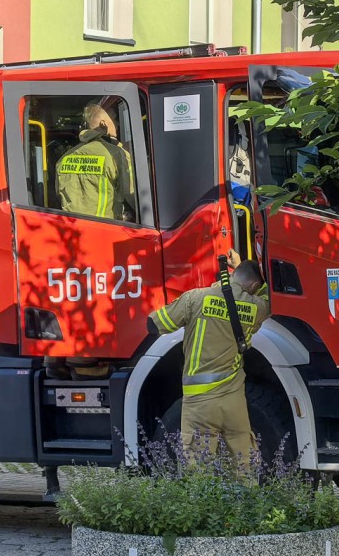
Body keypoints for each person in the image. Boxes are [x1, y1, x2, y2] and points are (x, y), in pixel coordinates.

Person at [147, 255, 270, 463]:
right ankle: (246, 487)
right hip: (233, 401)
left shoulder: (196, 298)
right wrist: (257, 281)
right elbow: (270, 299)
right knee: (243, 460)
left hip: (200, 401)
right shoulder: (257, 307)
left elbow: (154, 324)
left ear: (232, 275)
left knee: (198, 468)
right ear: (254, 286)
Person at [55, 102, 135, 221]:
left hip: (71, 228)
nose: (117, 124)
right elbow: (132, 195)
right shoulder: (117, 154)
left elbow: (59, 194)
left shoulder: (64, 158)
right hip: (106, 228)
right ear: (103, 123)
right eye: (114, 119)